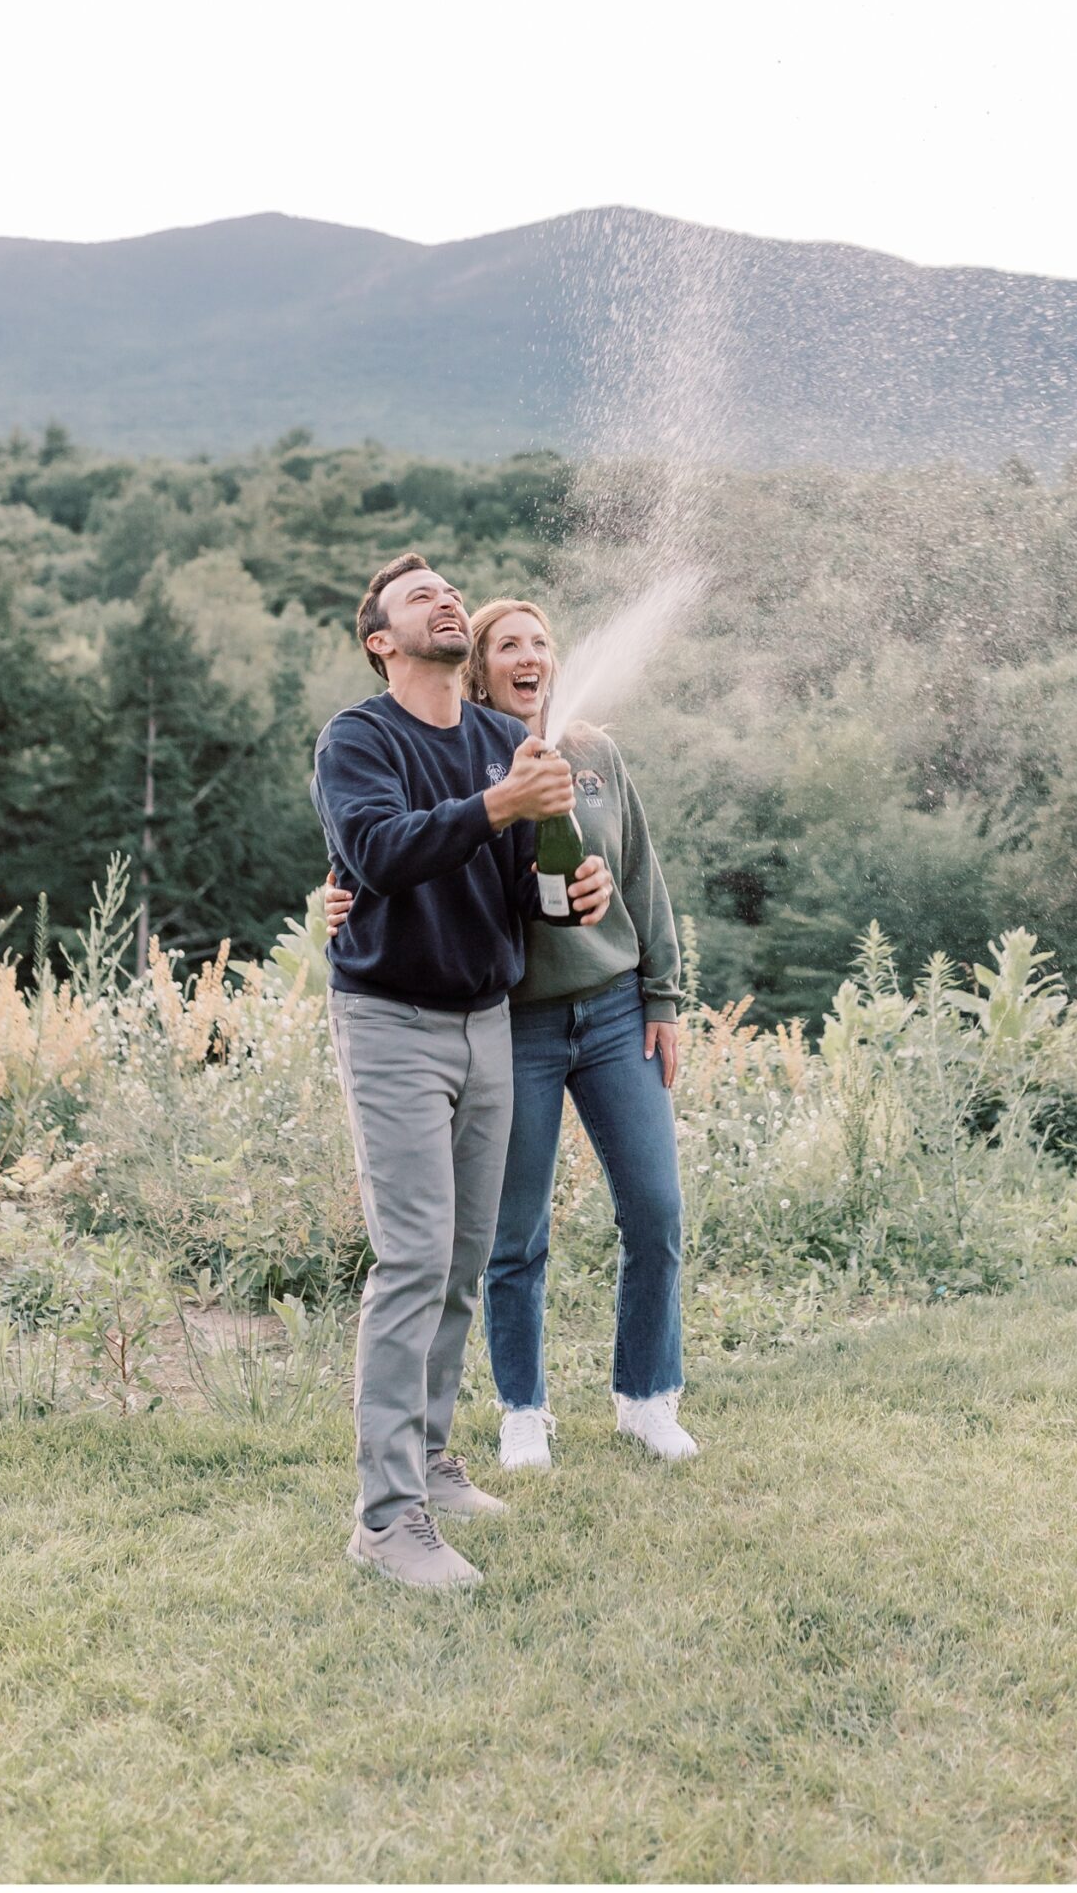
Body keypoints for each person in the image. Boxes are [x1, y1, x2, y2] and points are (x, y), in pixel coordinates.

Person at [327, 593, 699, 1471]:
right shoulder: (479, 763)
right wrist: (337, 889)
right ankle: (522, 1410)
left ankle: (648, 1397)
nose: (528, 656)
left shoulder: (595, 755)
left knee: (655, 1209)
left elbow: (642, 875)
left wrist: (664, 994)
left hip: (612, 1014)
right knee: (513, 1236)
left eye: (540, 642)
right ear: (483, 671)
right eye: (507, 645)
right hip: (514, 1023)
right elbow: (397, 844)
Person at [312, 552, 613, 1592]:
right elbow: (377, 851)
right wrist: (496, 805)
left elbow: (523, 894)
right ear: (381, 641)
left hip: (487, 1022)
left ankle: (433, 1463)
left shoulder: (499, 739)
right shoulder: (359, 739)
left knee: (461, 1257)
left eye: (449, 587)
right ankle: (385, 1519)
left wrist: (576, 888)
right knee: (409, 1258)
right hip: (391, 1020)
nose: (444, 596)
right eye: (416, 595)